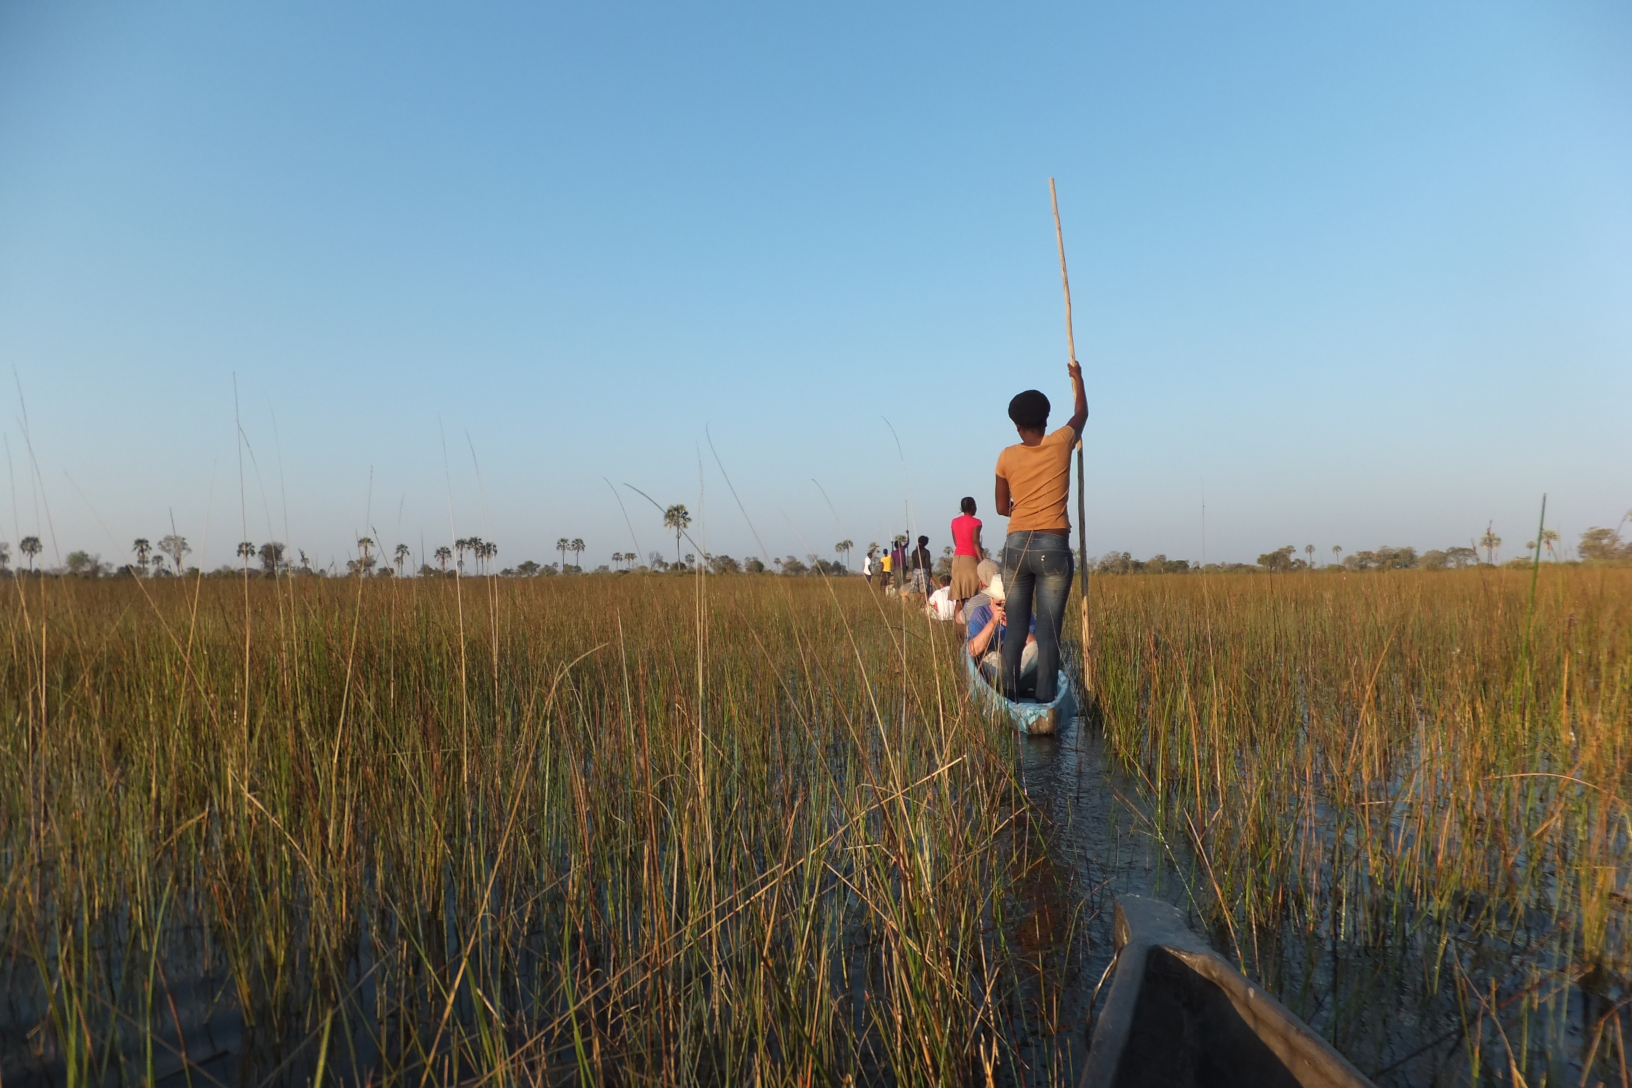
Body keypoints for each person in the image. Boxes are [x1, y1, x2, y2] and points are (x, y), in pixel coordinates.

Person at [992, 358, 1087, 702]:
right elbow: (1081, 413)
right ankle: (1047, 702)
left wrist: (1021, 508)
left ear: (1017, 426)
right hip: (1053, 544)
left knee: (1016, 629)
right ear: (1046, 421)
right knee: (1048, 633)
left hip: (1016, 545)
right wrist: (1077, 378)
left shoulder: (1006, 456)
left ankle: (1009, 695)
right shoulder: (1061, 441)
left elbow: (1001, 508)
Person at [965, 574, 1037, 693]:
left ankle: (1013, 679)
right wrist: (993, 622)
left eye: (1008, 604)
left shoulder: (1024, 613)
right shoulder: (980, 613)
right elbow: (973, 650)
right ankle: (1009, 683)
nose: (1004, 608)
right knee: (993, 656)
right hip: (995, 665)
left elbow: (1034, 645)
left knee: (1038, 648)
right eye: (1000, 604)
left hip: (1021, 662)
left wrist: (1017, 623)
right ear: (991, 599)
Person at [950, 497, 983, 617]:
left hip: (957, 560)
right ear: (973, 507)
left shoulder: (954, 522)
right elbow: (975, 542)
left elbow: (956, 542)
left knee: (959, 599)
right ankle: (973, 625)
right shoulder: (976, 522)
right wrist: (982, 561)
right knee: (975, 597)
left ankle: (957, 627)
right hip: (970, 560)